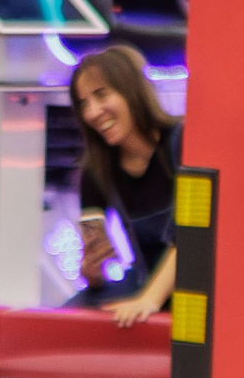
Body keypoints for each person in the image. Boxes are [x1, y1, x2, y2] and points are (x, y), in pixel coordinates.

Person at [67, 46, 183, 326]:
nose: (92, 112)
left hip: (193, 289)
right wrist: (91, 271)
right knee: (69, 318)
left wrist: (150, 300)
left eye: (101, 95)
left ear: (131, 90)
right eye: (83, 103)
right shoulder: (96, 171)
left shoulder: (181, 142)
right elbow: (95, 276)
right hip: (142, 284)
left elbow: (191, 239)